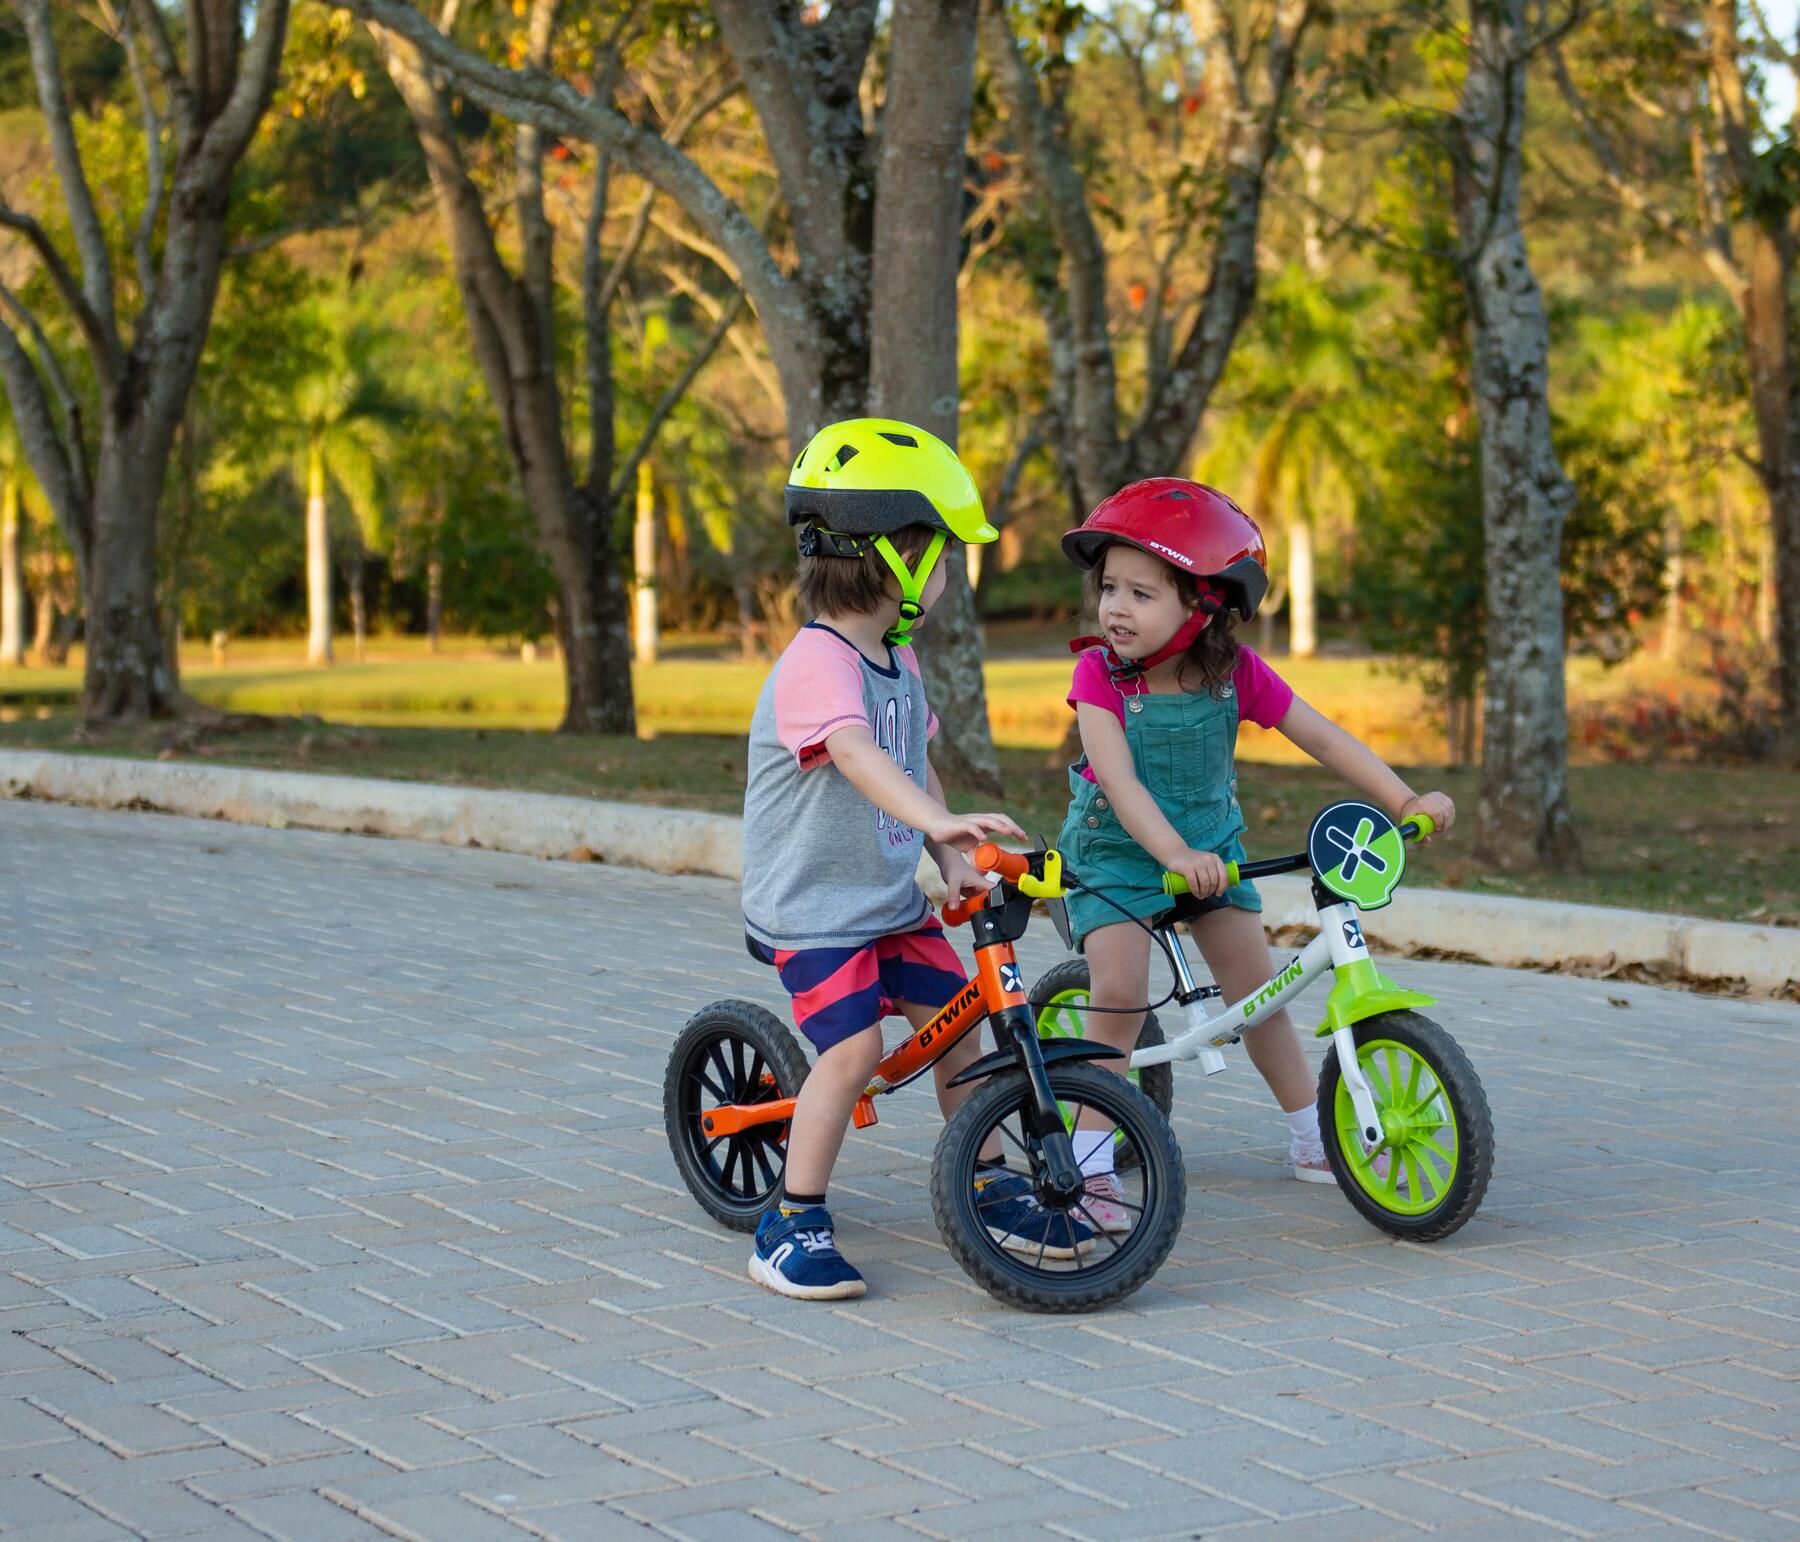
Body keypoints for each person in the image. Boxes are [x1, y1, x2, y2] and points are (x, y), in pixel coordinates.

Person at [742, 417, 1089, 1300]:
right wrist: (937, 814)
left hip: (887, 900)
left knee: (964, 1029)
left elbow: (908, 755)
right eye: (939, 561)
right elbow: (856, 755)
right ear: (894, 556)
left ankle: (986, 1180)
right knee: (853, 1049)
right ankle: (791, 1219)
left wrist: (950, 846)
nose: (943, 582)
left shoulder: (894, 658)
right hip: (814, 909)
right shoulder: (818, 662)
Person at [1052, 478, 1456, 1226]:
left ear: (1203, 606)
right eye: (1109, 588)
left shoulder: (1234, 674)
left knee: (1261, 995)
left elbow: (1323, 736)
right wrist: (1170, 852)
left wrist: (1404, 800)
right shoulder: (1097, 677)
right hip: (1116, 857)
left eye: (1141, 594)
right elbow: (1117, 776)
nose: (1114, 607)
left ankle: (1313, 1134)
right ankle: (1088, 1164)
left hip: (1210, 854)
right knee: (1116, 1003)